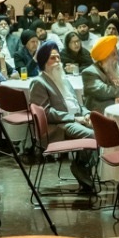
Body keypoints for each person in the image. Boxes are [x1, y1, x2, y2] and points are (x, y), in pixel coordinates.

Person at [23, 45, 97, 192]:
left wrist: (87, 114)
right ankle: (81, 166)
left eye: (58, 57)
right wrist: (75, 119)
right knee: (93, 135)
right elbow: (47, 112)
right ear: (44, 62)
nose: (57, 61)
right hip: (58, 126)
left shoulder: (65, 80)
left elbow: (78, 105)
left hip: (75, 119)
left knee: (104, 130)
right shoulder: (39, 82)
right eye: (52, 58)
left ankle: (82, 165)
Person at [81, 35, 119, 115]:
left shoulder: (116, 68)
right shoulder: (89, 73)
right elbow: (104, 91)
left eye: (117, 53)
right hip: (101, 115)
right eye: (113, 54)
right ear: (104, 57)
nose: (117, 57)